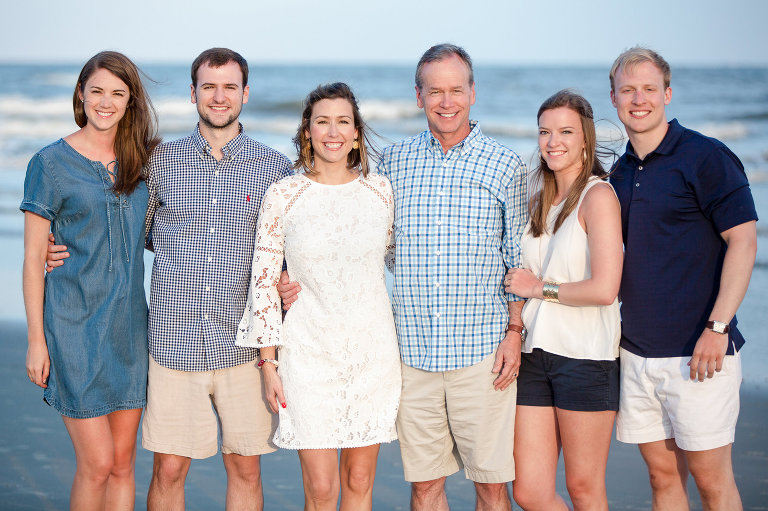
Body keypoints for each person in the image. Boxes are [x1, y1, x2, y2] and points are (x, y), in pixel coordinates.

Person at [281, 43, 528, 510]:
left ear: (472, 93)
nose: (446, 101)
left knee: (492, 487)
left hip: (483, 353)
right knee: (425, 487)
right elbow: (342, 227)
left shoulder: (505, 165)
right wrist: (292, 275)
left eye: (456, 90)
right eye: (435, 91)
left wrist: (515, 330)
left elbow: (516, 259)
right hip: (410, 355)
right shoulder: (392, 165)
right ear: (419, 97)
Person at [46, 48, 291, 511]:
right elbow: (122, 229)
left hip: (244, 345)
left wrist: (288, 282)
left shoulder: (275, 168)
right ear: (193, 92)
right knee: (170, 468)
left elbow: (285, 253)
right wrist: (51, 243)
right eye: (209, 87)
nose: (219, 97)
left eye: (229, 87)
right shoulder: (159, 162)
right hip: (173, 343)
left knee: (245, 467)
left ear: (245, 94)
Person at [236, 82, 400, 511]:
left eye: (343, 121)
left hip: (372, 354)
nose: (333, 131)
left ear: (357, 133)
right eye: (322, 121)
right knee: (322, 491)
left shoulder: (380, 192)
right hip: (307, 355)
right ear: (306, 130)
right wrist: (268, 362)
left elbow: (400, 260)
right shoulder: (284, 194)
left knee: (360, 481)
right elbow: (264, 282)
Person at [609, 47, 757, 510]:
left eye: (649, 89)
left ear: (667, 94)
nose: (639, 99)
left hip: (699, 354)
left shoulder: (705, 156)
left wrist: (717, 328)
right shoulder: (620, 170)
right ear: (613, 97)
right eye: (628, 89)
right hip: (636, 353)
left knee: (713, 484)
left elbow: (744, 241)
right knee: (662, 480)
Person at [21, 51, 160, 510]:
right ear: (81, 94)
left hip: (129, 329)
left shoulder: (144, 161)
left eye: (118, 93)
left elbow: (178, 231)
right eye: (97, 90)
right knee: (96, 463)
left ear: (130, 100)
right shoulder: (50, 163)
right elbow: (31, 259)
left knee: (123, 464)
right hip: (73, 328)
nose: (106, 102)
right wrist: (36, 341)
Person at [504, 90, 622, 510]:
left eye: (565, 131)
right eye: (545, 132)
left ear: (586, 138)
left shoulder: (599, 197)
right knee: (529, 492)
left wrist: (539, 289)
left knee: (584, 488)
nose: (553, 141)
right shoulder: (540, 201)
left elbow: (605, 288)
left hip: (586, 358)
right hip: (536, 356)